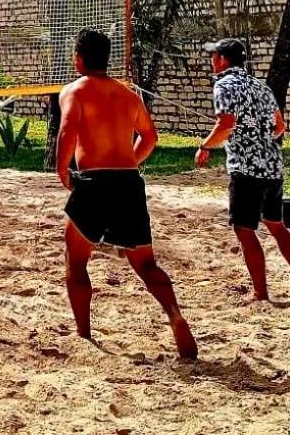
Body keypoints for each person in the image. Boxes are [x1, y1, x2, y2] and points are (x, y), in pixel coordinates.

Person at [57, 28, 197, 360]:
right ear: (107, 60)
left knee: (76, 261)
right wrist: (127, 162)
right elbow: (150, 137)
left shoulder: (74, 91)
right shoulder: (127, 94)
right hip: (129, 182)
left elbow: (67, 129)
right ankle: (175, 314)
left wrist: (62, 171)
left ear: (78, 60)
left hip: (93, 182)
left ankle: (84, 334)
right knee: (146, 264)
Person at [195, 37, 290, 300]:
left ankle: (260, 292)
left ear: (223, 60)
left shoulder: (223, 85)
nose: (211, 61)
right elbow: (280, 127)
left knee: (244, 229)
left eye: (213, 56)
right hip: (272, 166)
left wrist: (205, 146)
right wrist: (260, 137)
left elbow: (226, 123)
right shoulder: (261, 87)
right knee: (276, 225)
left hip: (246, 169)